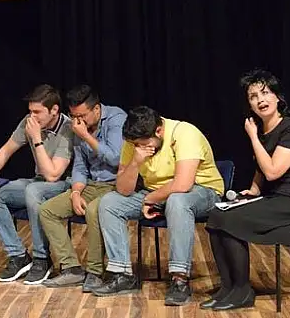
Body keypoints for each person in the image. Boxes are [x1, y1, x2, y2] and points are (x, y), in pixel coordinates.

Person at [202, 70, 290, 311]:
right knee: (216, 215)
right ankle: (228, 287)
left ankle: (243, 291)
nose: (260, 100)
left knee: (232, 220)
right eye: (253, 96)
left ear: (278, 97)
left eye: (265, 93)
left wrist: (253, 138)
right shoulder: (264, 131)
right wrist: (253, 190)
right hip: (276, 198)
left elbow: (273, 172)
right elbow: (261, 168)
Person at [93, 106, 224, 306]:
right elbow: (123, 189)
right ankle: (122, 275)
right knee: (110, 202)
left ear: (159, 131)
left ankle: (180, 279)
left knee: (177, 200)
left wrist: (150, 199)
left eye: (143, 144)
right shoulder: (134, 143)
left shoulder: (184, 133)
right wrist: (135, 162)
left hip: (201, 191)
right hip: (157, 193)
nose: (139, 147)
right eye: (135, 145)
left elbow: (183, 184)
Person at [0, 84, 74, 285]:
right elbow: (6, 150)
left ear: (54, 110)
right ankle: (18, 256)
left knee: (34, 190)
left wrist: (37, 139)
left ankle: (42, 259)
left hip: (64, 185)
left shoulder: (68, 129)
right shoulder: (29, 122)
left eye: (37, 112)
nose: (32, 116)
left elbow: (53, 175)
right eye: (30, 111)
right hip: (38, 182)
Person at [39, 85, 127, 291]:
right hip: (90, 184)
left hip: (116, 185)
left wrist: (86, 136)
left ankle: (95, 272)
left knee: (93, 211)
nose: (78, 121)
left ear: (96, 109)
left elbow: (116, 159)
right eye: (73, 116)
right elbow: (80, 166)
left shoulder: (116, 119)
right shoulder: (78, 126)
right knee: (47, 211)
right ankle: (72, 269)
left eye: (82, 115)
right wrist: (76, 192)